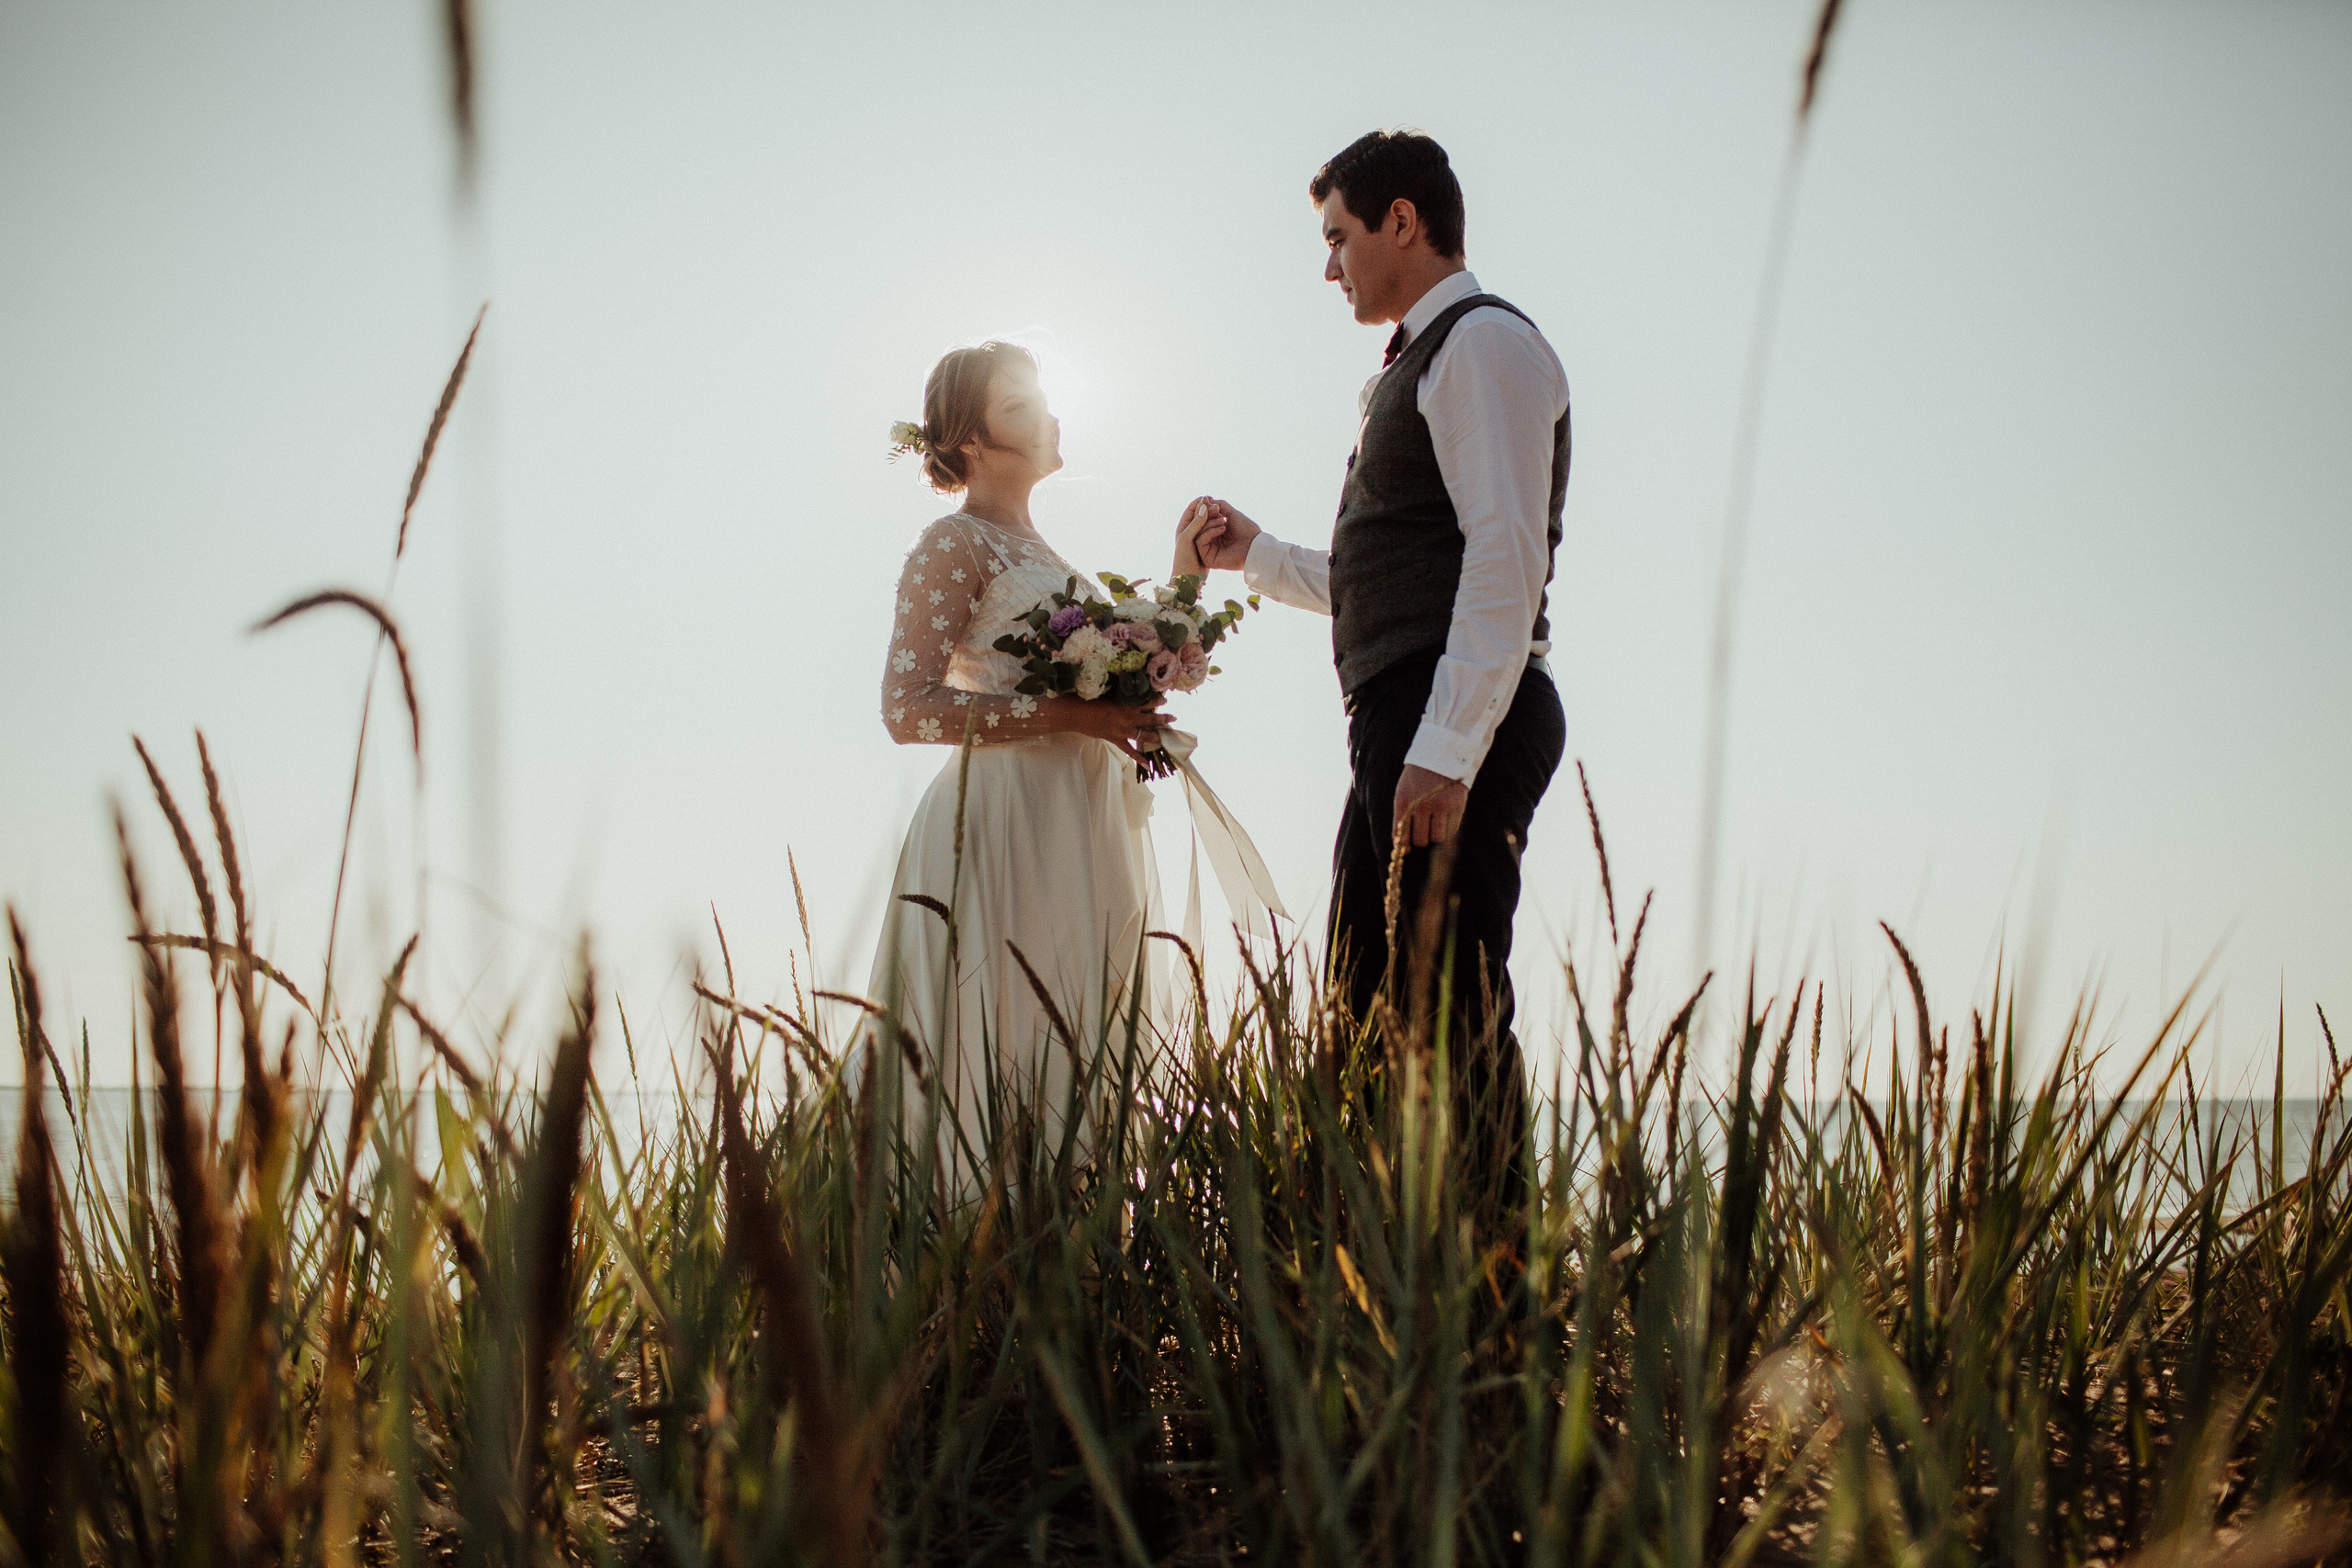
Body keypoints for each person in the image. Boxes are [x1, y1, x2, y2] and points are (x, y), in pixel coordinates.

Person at [1179, 129, 1570, 1221]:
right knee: (1366, 1003)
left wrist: (1443, 752)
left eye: (1338, 236)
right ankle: (1391, 1279)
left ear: (1403, 221)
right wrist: (1255, 555)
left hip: (1454, 718)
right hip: (1409, 715)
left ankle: (1491, 1302)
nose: (1328, 265)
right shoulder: (1417, 365)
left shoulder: (1482, 347)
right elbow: (1391, 572)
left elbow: (1503, 558)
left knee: (1441, 1004)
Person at [863, 340, 1172, 1184]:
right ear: (969, 439)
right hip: (998, 820)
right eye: (1021, 407)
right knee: (992, 1046)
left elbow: (1120, 682)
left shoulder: (1051, 557)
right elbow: (908, 706)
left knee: (1079, 1048)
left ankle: (1064, 1284)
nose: (1048, 418)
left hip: (1077, 822)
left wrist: (1182, 583)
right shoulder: (953, 544)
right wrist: (1072, 712)